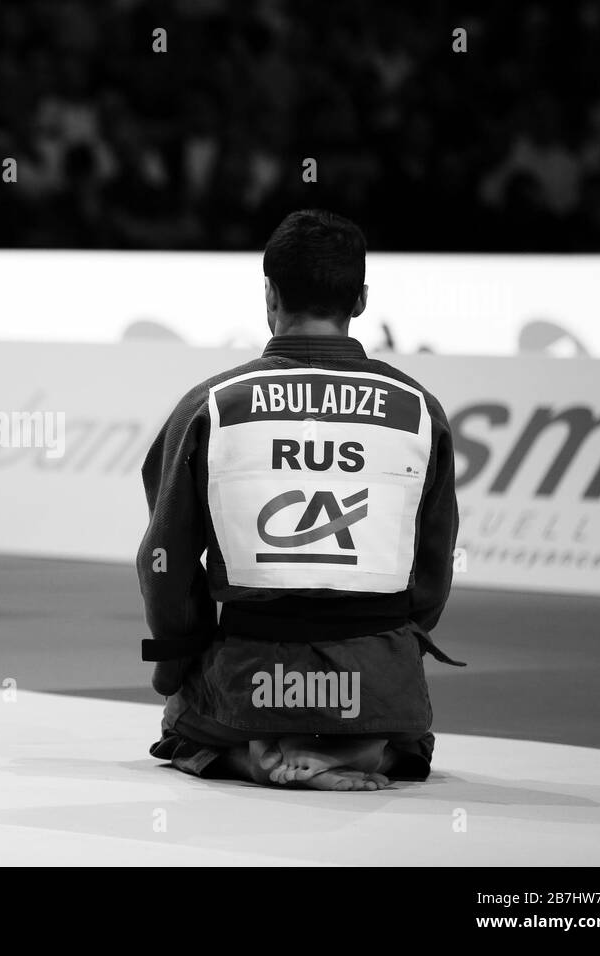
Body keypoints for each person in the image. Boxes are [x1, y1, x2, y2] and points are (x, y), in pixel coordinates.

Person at [138, 209, 463, 791]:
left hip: (254, 680)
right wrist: (394, 648)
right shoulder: (419, 407)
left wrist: (175, 665)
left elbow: (163, 561)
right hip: (374, 686)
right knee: (413, 745)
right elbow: (434, 564)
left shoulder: (210, 406)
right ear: (361, 299)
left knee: (179, 729)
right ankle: (371, 750)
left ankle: (248, 755)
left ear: (269, 296)